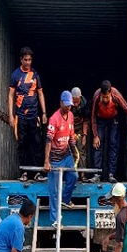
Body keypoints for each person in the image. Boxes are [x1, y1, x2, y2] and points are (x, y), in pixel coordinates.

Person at [8, 47, 48, 182]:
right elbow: (11, 95)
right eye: (25, 60)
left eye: (30, 60)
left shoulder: (35, 75)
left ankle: (37, 173)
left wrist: (44, 112)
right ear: (21, 59)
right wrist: (11, 115)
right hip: (21, 117)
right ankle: (24, 172)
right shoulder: (15, 75)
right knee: (22, 144)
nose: (28, 62)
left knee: (36, 144)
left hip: (34, 116)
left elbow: (40, 93)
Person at [90, 80, 127, 183]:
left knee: (113, 144)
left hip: (113, 119)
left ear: (110, 93)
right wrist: (95, 135)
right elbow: (93, 117)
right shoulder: (96, 97)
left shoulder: (116, 95)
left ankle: (111, 174)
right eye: (103, 97)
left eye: (107, 97)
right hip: (100, 120)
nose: (105, 99)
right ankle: (96, 174)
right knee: (97, 145)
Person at [44, 91, 79, 228]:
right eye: (66, 105)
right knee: (54, 191)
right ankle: (55, 220)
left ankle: (65, 199)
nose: (68, 108)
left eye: (70, 105)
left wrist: (74, 151)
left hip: (66, 155)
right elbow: (48, 140)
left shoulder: (70, 115)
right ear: (61, 103)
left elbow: (71, 136)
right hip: (54, 159)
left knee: (74, 176)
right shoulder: (54, 119)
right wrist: (46, 161)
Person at [70, 87, 91, 182]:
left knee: (81, 150)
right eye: (74, 101)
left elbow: (86, 121)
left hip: (81, 127)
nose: (75, 103)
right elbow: (66, 120)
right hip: (69, 127)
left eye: (77, 100)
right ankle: (70, 174)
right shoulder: (68, 104)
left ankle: (82, 174)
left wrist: (84, 136)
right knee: (70, 150)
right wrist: (71, 134)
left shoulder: (84, 103)